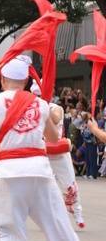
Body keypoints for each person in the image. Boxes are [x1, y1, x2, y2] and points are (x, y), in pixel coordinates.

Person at [0, 56, 104, 241]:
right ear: (27, 80)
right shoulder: (40, 104)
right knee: (59, 225)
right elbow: (52, 138)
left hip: (10, 172)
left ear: (3, 79)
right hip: (40, 170)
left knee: (7, 227)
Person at [31, 82, 86, 228]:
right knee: (45, 188)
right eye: (35, 95)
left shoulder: (56, 108)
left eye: (39, 95)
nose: (36, 98)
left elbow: (55, 118)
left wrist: (42, 106)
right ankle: (49, 217)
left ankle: (78, 213)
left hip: (59, 151)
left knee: (70, 185)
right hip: (43, 153)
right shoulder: (32, 109)